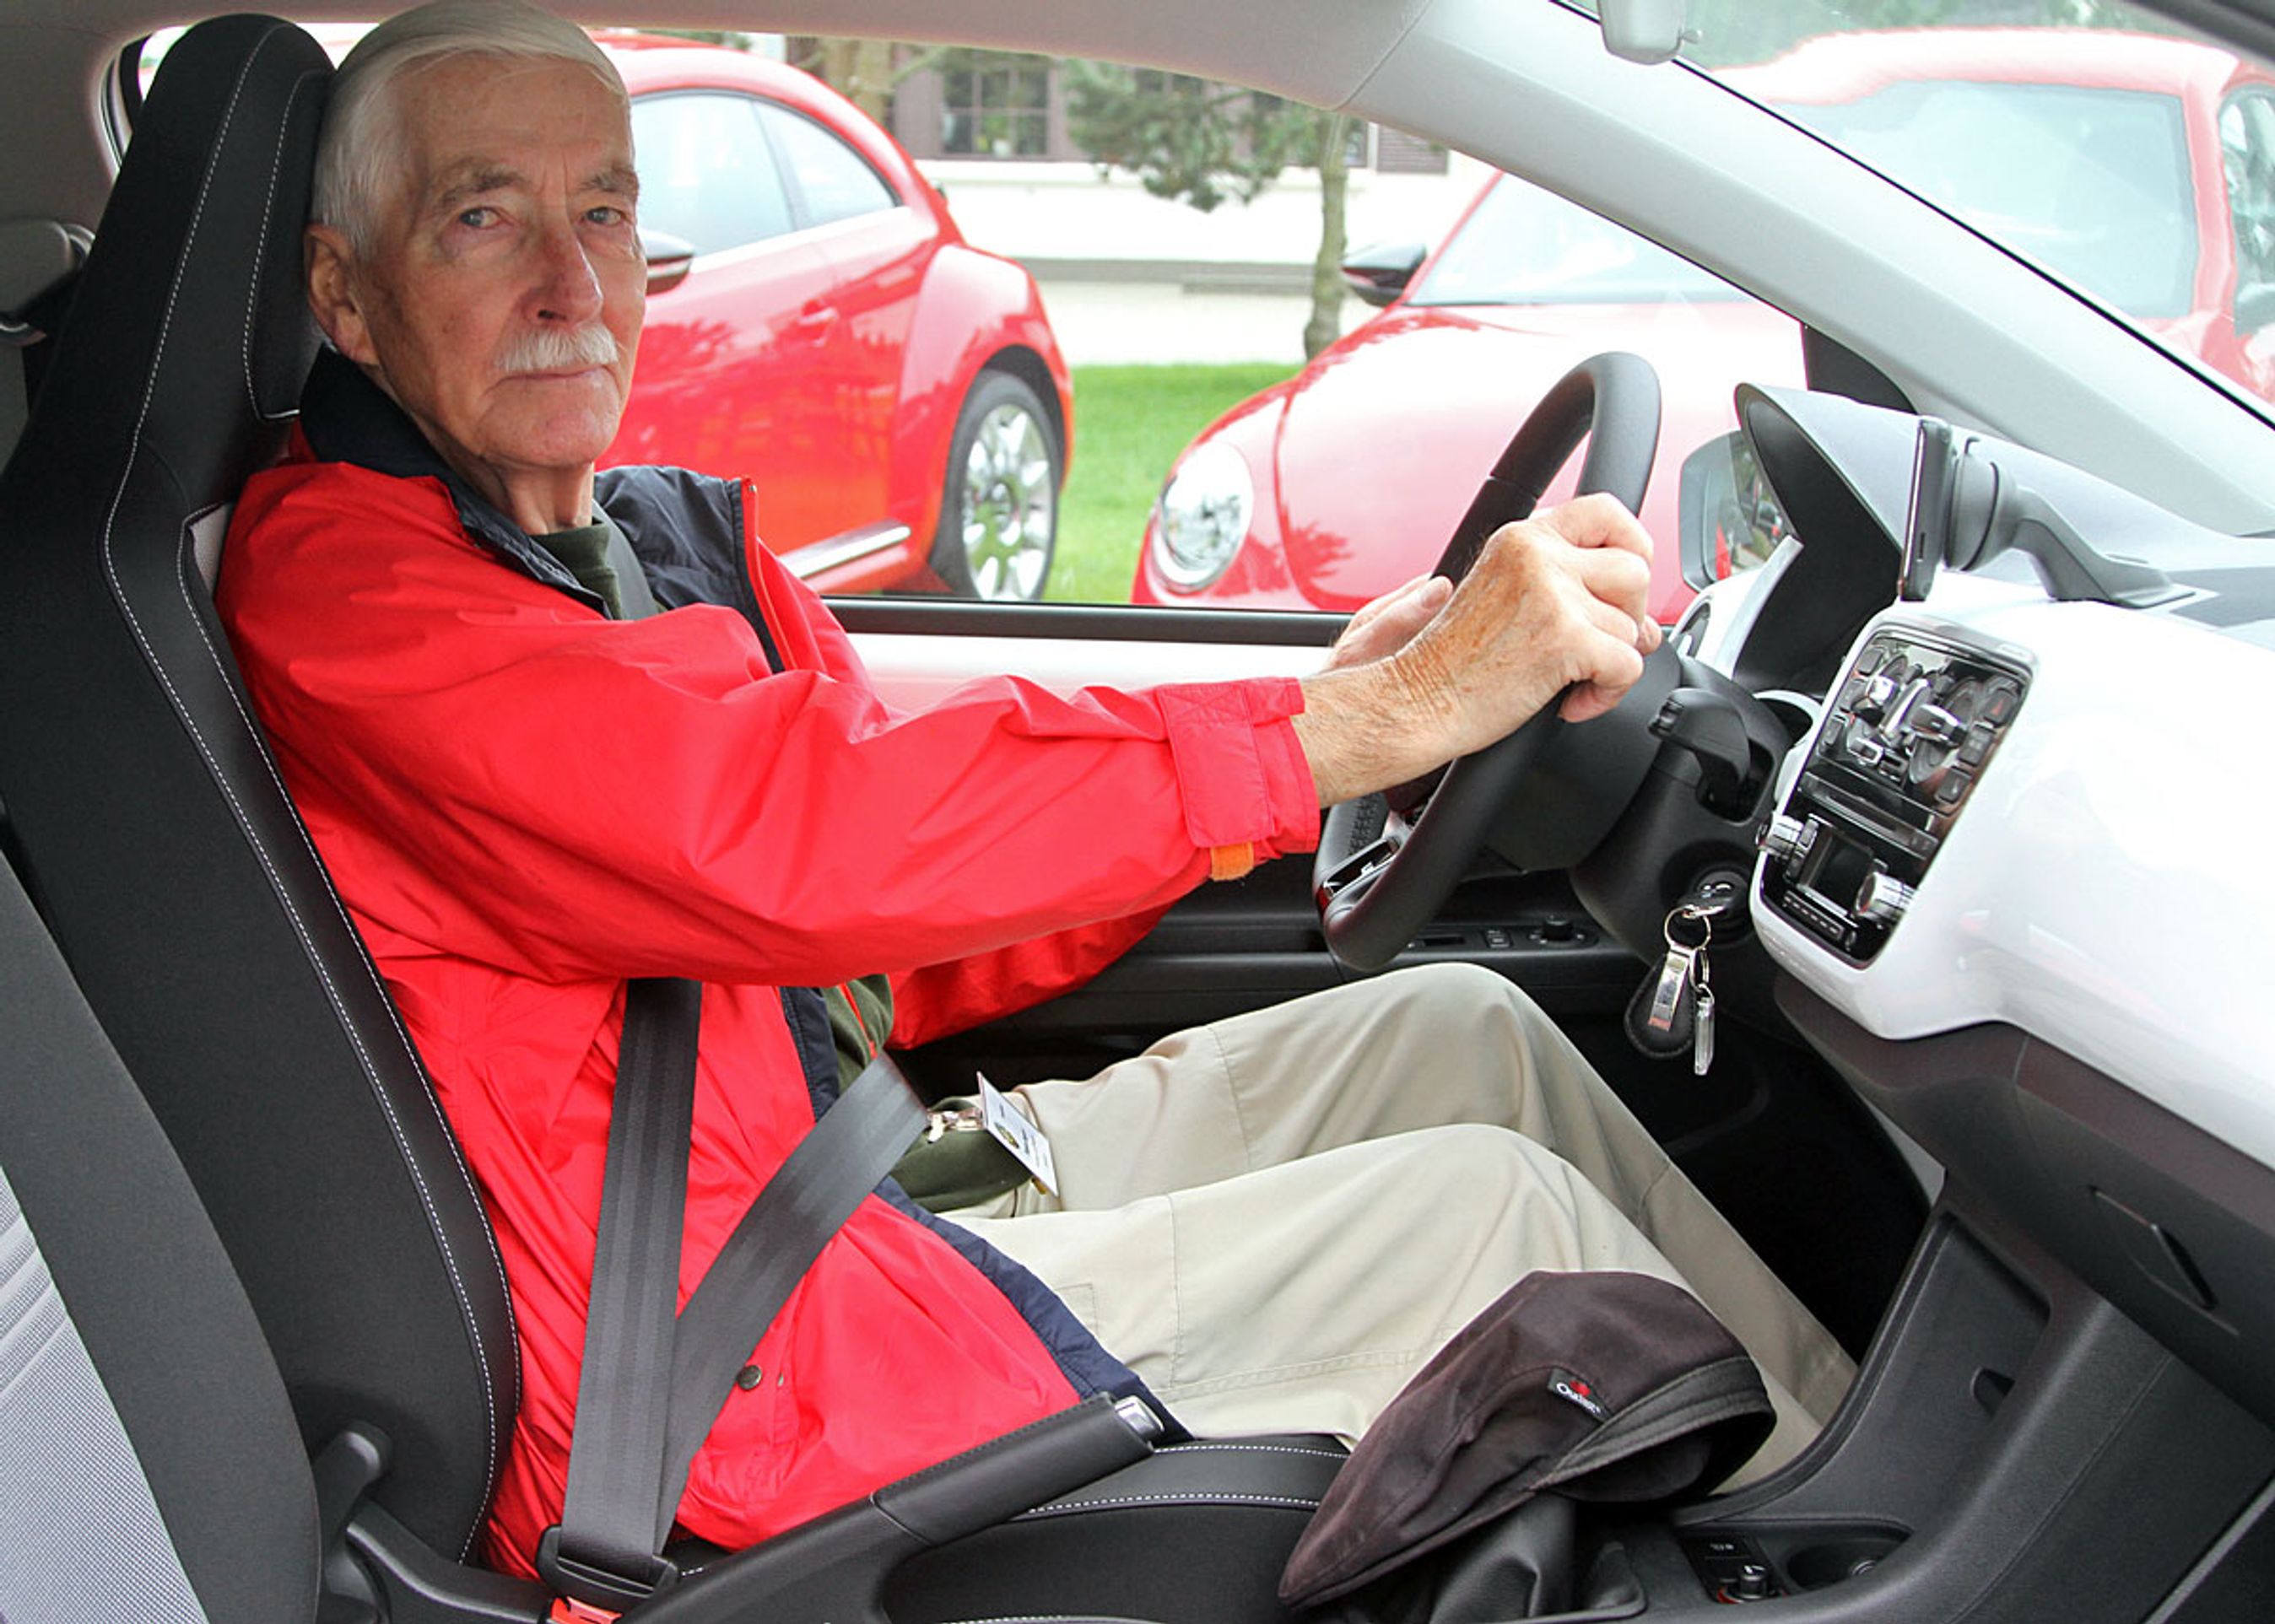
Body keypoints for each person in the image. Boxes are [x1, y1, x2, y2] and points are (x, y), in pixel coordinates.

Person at [214, 0, 1853, 1581]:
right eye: (486, 220)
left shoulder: (655, 549)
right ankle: (1851, 1570)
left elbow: (902, 922)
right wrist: (1356, 726)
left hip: (849, 1178)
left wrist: (1329, 701)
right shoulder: (346, 591)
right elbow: (790, 835)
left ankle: (1843, 1496)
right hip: (728, 1361)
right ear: (345, 299)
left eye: (606, 211)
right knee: (1489, 1210)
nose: (573, 281)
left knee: (1469, 1034)